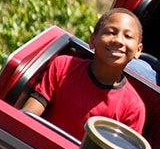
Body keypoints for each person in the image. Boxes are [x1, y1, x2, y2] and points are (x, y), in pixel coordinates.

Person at [20, 9, 147, 138]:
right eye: (111, 32)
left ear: (138, 50)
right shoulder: (63, 66)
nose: (118, 40)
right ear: (92, 40)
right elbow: (27, 117)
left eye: (128, 36)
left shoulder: (133, 107)